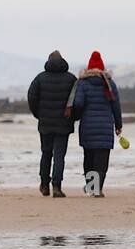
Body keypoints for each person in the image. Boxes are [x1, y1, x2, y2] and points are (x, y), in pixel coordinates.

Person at [66, 50, 122, 196]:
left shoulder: (83, 83)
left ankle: (92, 187)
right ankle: (98, 189)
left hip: (88, 127)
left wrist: (76, 116)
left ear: (89, 68)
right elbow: (116, 106)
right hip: (105, 127)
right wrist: (118, 125)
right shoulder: (110, 84)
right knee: (102, 161)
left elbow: (77, 104)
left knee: (89, 159)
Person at [27, 50, 77, 197]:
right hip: (64, 123)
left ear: (48, 61)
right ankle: (56, 186)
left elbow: (31, 97)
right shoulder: (71, 79)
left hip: (45, 123)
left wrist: (39, 114)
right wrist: (73, 117)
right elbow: (78, 101)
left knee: (46, 153)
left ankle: (44, 184)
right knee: (59, 155)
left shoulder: (40, 78)